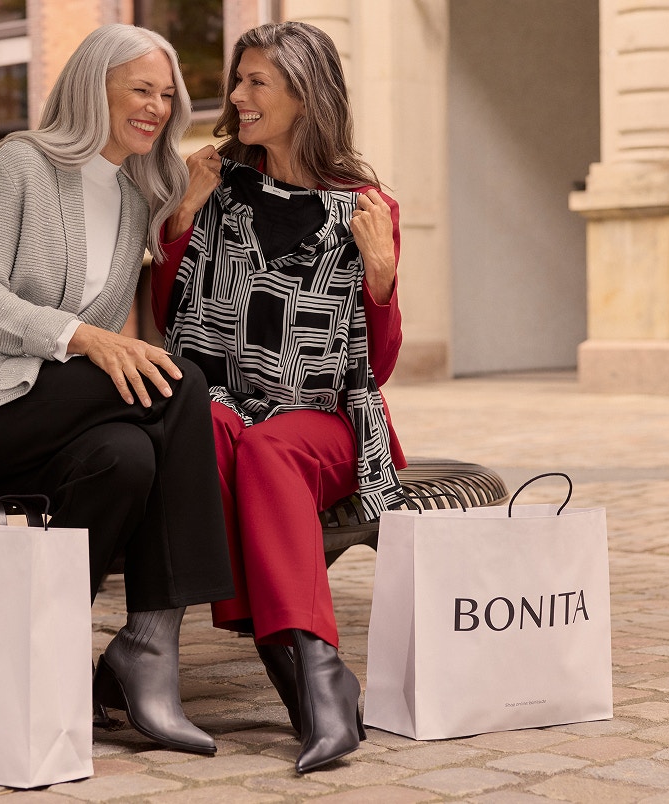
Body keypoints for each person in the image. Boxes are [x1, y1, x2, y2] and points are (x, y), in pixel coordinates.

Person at [0, 24, 235, 756]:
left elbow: (147, 317)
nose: (156, 106)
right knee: (183, 386)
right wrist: (80, 338)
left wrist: (181, 209)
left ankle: (47, 660)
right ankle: (151, 645)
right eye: (140, 90)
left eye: (166, 94)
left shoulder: (131, 194)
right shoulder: (25, 162)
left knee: (127, 460)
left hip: (54, 422)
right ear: (97, 88)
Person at [151, 21, 406, 773]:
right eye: (239, 80)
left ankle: (308, 679)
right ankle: (319, 690)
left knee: (269, 445)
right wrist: (183, 219)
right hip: (232, 399)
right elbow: (176, 321)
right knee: (211, 426)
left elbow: (378, 366)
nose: (237, 97)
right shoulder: (217, 190)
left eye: (256, 82)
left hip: (327, 421)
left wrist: (382, 277)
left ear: (305, 94)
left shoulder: (365, 208)